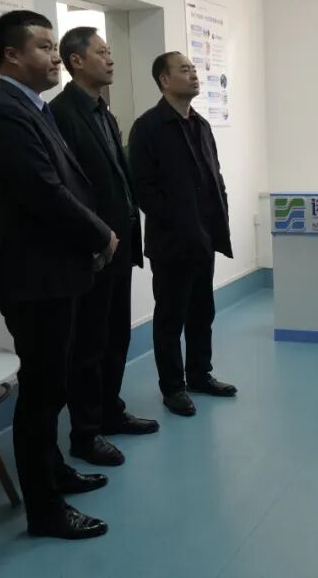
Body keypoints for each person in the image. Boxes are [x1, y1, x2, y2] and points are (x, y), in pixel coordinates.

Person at [0, 10, 118, 540]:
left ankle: (54, 472)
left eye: (55, 46)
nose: (56, 56)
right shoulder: (3, 113)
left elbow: (66, 182)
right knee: (39, 396)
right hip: (34, 278)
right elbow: (44, 191)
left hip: (56, 271)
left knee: (53, 387)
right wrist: (100, 235)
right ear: (12, 55)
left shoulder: (31, 107)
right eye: (44, 47)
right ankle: (45, 510)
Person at [50, 27, 158, 468]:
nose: (110, 59)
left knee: (116, 336)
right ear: (76, 61)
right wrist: (94, 239)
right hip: (92, 250)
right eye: (101, 52)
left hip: (120, 243)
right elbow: (67, 188)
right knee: (89, 345)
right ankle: (86, 433)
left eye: (111, 52)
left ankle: (111, 411)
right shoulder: (61, 114)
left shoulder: (103, 113)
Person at [128, 52, 237, 417]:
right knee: (170, 317)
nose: (193, 74)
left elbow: (214, 176)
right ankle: (173, 387)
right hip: (172, 243)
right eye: (184, 70)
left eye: (194, 69)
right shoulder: (148, 127)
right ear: (164, 80)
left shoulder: (200, 124)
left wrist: (217, 217)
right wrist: (180, 221)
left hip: (205, 240)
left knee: (202, 312)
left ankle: (200, 374)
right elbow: (143, 189)